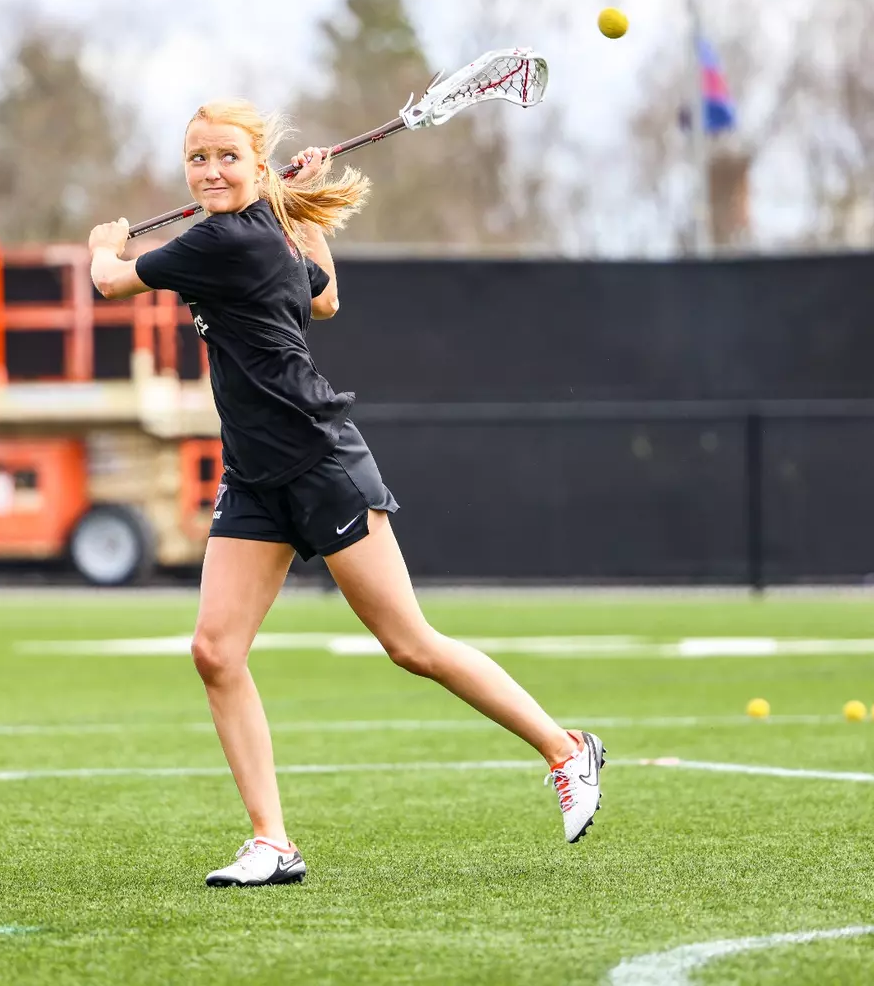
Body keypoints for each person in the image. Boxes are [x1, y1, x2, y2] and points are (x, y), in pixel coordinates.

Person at [87, 100, 604, 889]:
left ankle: (566, 749)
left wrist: (105, 243)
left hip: (320, 462)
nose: (210, 172)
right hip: (255, 475)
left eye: (228, 157)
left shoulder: (221, 238)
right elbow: (323, 296)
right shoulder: (255, 230)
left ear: (255, 165)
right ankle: (272, 842)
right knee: (214, 652)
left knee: (410, 645)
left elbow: (109, 283)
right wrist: (295, 207)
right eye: (197, 160)